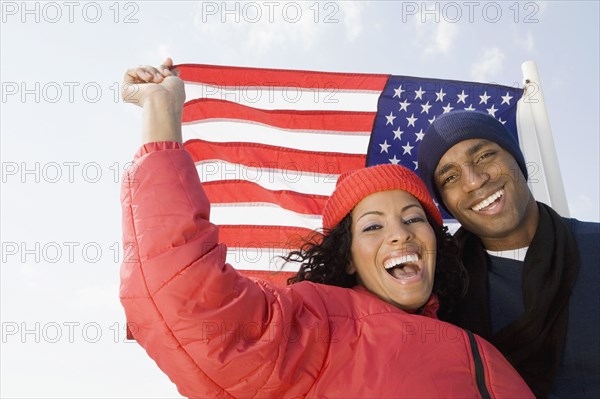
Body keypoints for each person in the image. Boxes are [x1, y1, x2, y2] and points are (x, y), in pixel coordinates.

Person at [119, 60, 534, 398]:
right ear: (349, 259)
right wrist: (162, 112)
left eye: (413, 218)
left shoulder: (481, 349)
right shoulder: (314, 322)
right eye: (372, 226)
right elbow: (179, 292)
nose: (400, 234)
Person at [417, 110, 600, 398]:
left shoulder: (594, 245)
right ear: (446, 205)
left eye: (484, 156)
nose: (474, 181)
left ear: (516, 159)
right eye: (450, 177)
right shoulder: (440, 293)